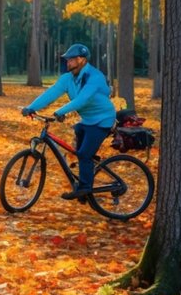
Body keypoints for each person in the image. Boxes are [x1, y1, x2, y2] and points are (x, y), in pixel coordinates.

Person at [21, 43, 116, 200]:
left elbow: (82, 100)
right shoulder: (68, 79)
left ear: (82, 59)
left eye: (71, 59)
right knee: (81, 153)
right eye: (67, 60)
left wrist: (61, 111)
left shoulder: (95, 77)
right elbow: (50, 93)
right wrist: (31, 107)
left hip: (103, 120)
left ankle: (85, 188)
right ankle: (86, 191)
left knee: (84, 154)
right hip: (87, 120)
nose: (68, 62)